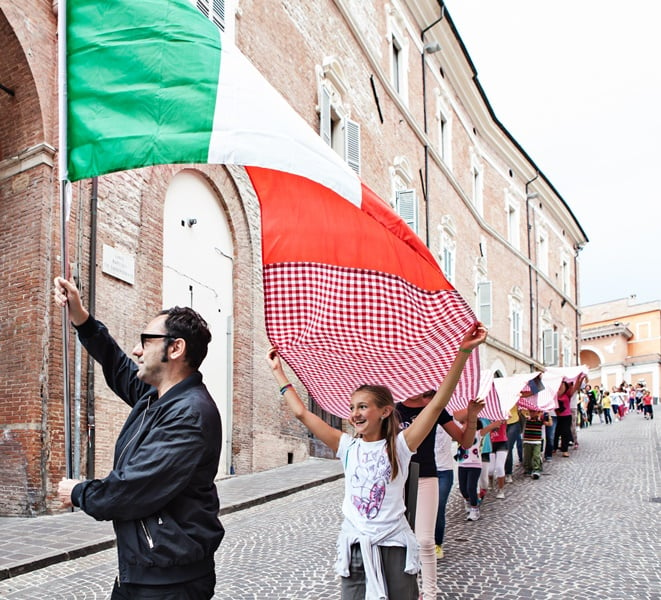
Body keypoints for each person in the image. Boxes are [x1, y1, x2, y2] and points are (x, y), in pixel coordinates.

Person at [266, 322, 487, 600]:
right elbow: (301, 413)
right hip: (356, 546)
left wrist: (463, 352)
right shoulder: (346, 445)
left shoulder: (401, 445)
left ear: (385, 411)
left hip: (394, 545)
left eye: (362, 406)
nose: (355, 414)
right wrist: (278, 373)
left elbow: (437, 404)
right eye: (352, 407)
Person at [54, 277, 224, 600]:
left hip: (169, 584)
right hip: (143, 572)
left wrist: (79, 492)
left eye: (146, 341)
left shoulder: (190, 415)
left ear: (176, 348)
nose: (136, 350)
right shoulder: (155, 397)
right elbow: (117, 365)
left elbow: (132, 488)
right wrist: (81, 316)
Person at [397, 389, 482, 595]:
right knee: (400, 540)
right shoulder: (393, 410)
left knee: (425, 540)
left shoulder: (435, 409)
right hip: (397, 479)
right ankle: (406, 590)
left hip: (426, 475)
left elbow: (466, 441)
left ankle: (430, 594)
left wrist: (472, 417)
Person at [455, 415, 502, 521]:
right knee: (463, 489)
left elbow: (489, 427)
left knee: (471, 487)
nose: (463, 425)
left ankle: (475, 509)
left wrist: (497, 421)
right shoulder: (459, 434)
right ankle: (468, 501)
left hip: (475, 465)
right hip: (462, 464)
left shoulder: (478, 433)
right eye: (462, 423)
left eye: (465, 423)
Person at [521, 409, 552, 478]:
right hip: (527, 441)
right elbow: (522, 415)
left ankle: (536, 469)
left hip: (537, 441)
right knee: (527, 456)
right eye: (531, 411)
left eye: (534, 412)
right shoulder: (527, 419)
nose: (532, 413)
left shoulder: (540, 419)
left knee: (536, 455)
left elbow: (550, 424)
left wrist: (549, 416)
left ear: (538, 412)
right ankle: (528, 469)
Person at [487, 419, 508, 499]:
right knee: (490, 469)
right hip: (490, 442)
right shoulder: (485, 414)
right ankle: (490, 483)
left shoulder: (502, 413)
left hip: (502, 442)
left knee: (499, 466)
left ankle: (501, 489)